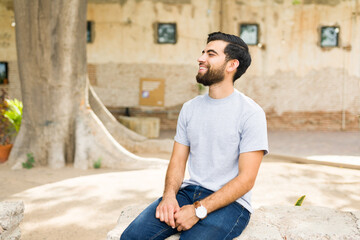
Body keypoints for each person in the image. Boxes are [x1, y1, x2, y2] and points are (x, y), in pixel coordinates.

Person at [120, 31, 268, 240]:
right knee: (131, 238)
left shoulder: (251, 113)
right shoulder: (190, 108)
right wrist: (169, 196)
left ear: (231, 65)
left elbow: (246, 179)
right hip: (188, 193)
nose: (201, 58)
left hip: (231, 204)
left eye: (211, 54)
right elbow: (178, 160)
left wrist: (199, 210)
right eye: (202, 52)